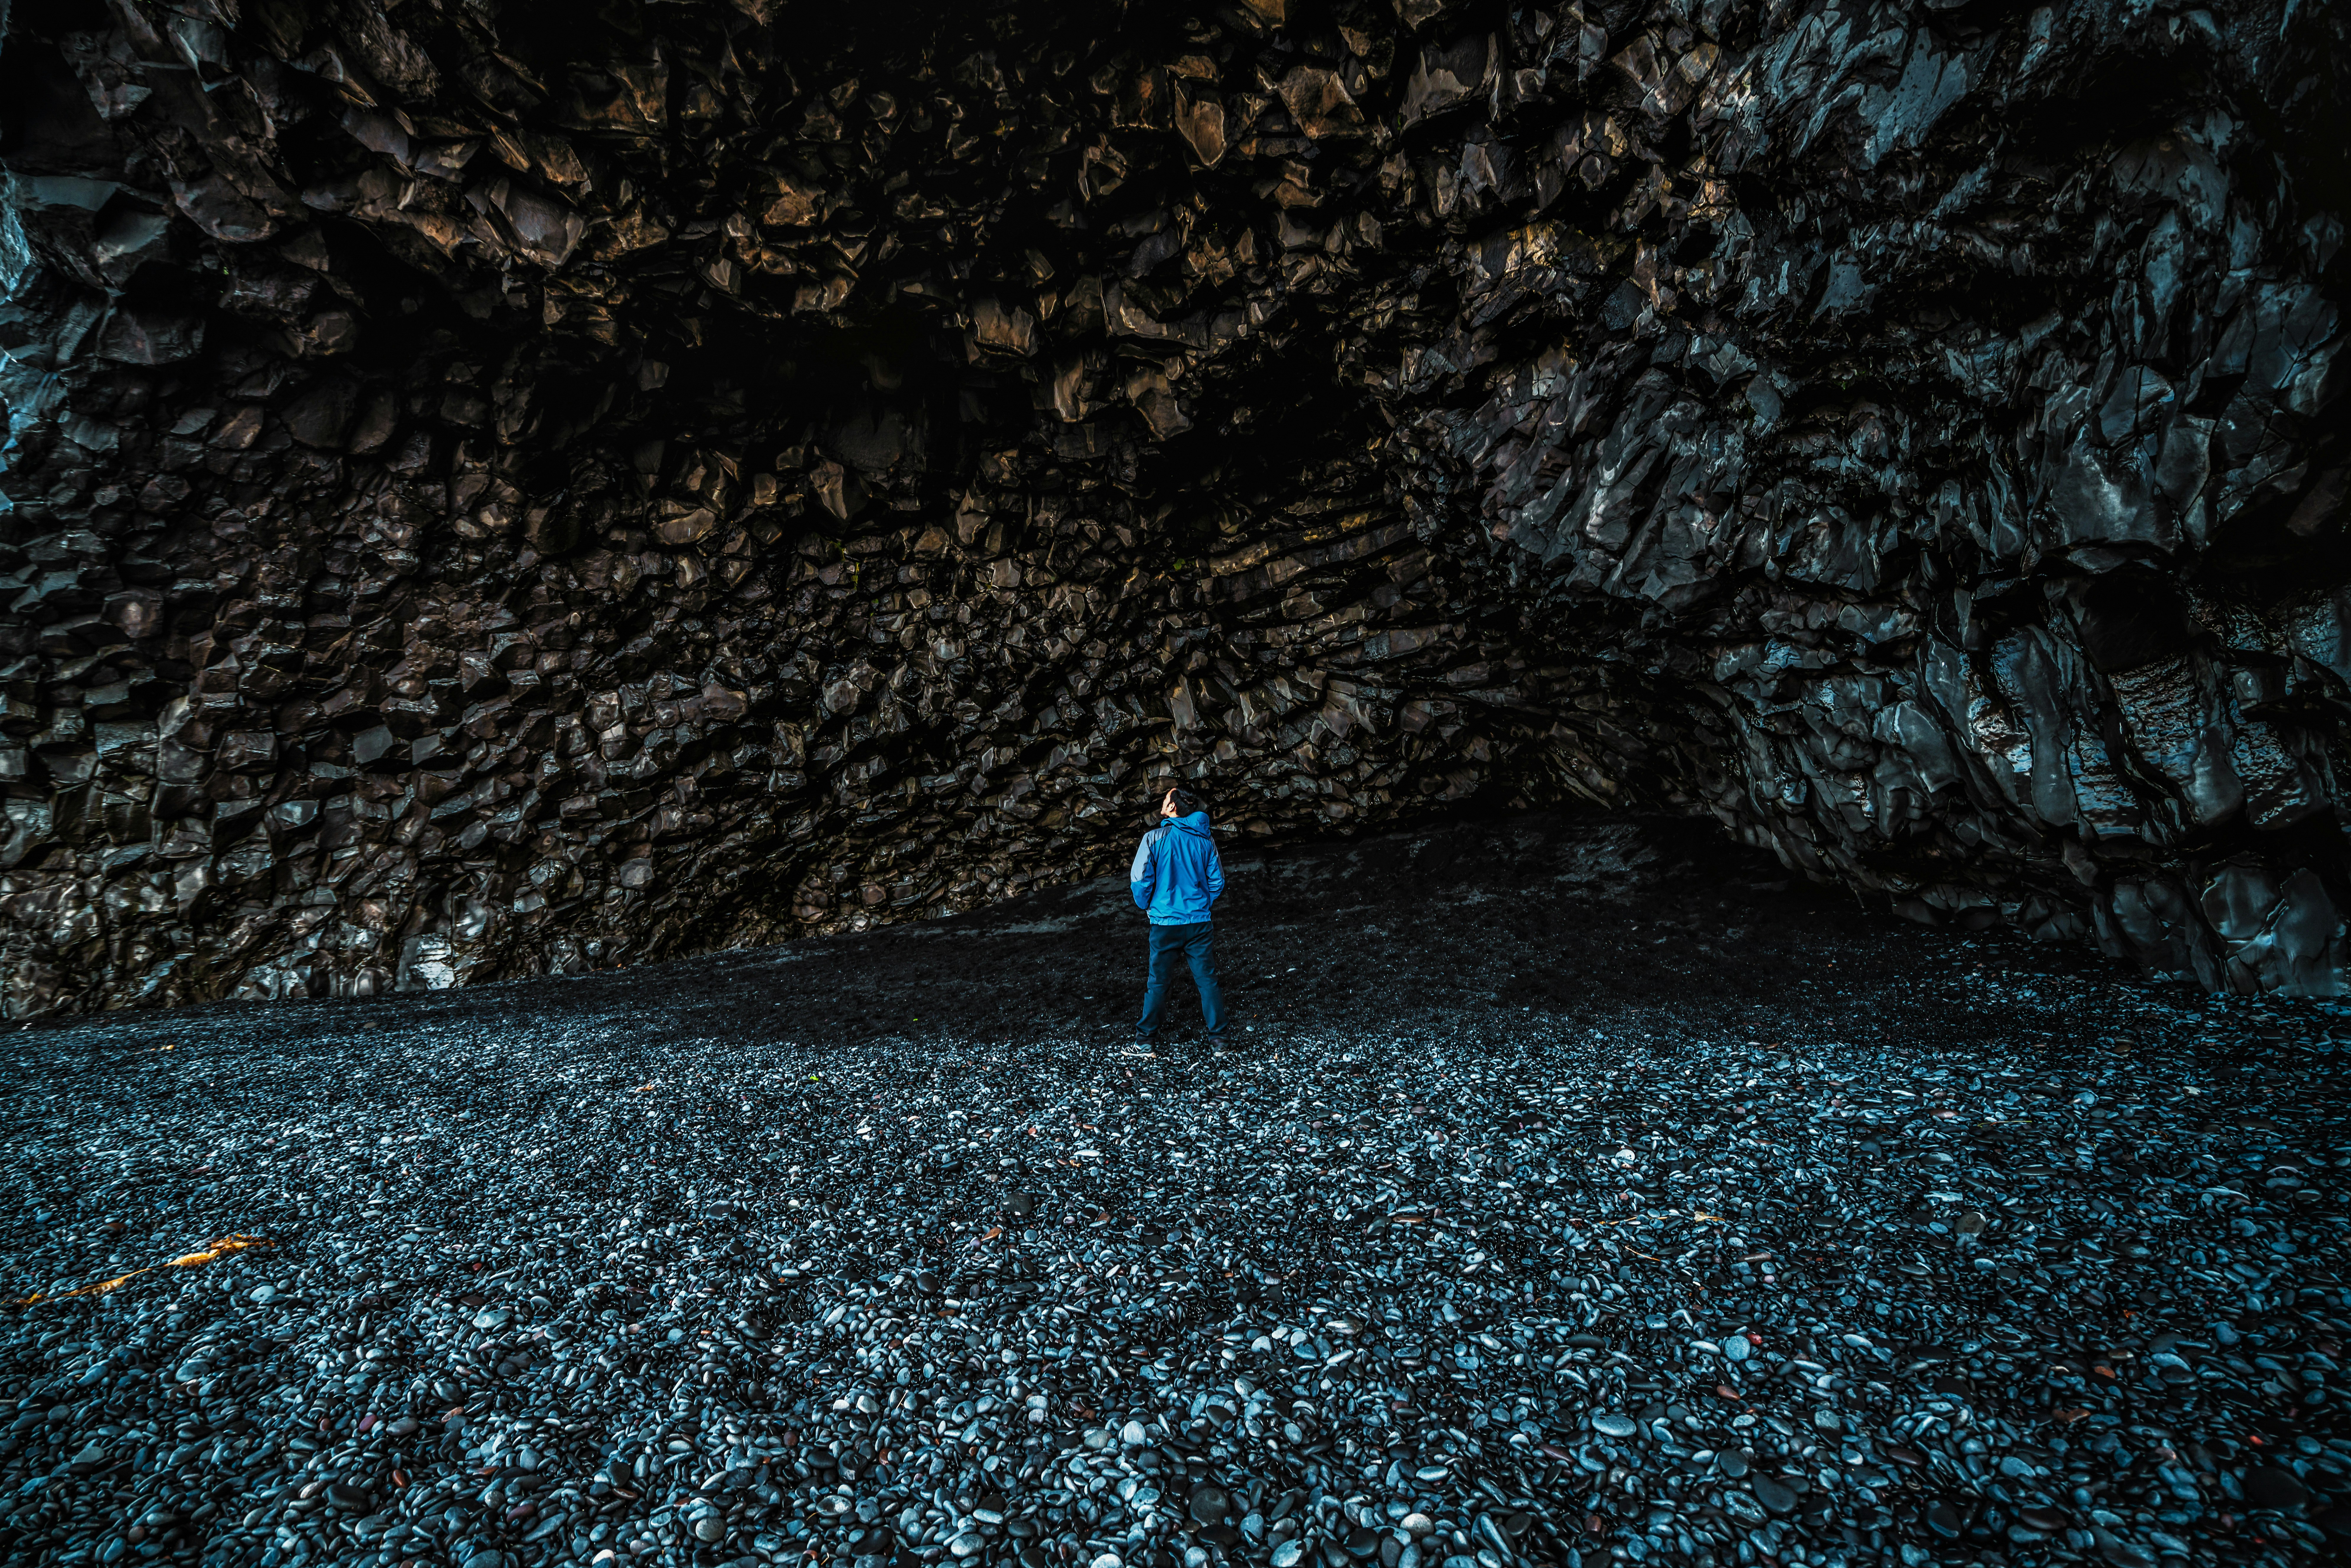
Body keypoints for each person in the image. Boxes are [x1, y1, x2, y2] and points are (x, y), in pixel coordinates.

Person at [1130, 785, 1226, 1047]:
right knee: (1207, 980)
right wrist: (1201, 904)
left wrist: (1148, 905)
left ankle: (1145, 1042)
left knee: (1159, 983)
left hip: (1165, 924)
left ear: (1172, 807)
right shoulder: (1206, 841)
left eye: (1165, 799)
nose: (1162, 802)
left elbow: (1139, 880)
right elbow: (1217, 882)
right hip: (1200, 923)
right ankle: (1220, 1040)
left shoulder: (1154, 838)